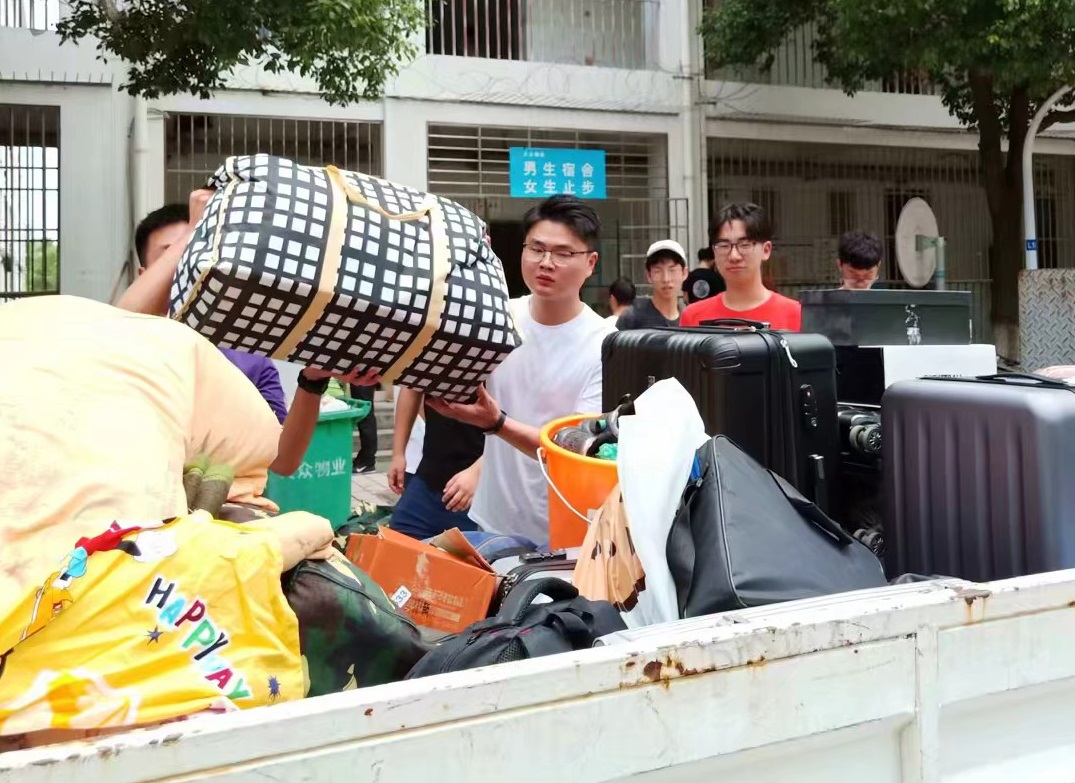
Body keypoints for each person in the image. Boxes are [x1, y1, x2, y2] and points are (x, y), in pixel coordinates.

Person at [120, 191, 378, 477]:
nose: (189, 266)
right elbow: (120, 321)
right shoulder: (131, 345)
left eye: (197, 252)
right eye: (174, 254)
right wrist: (196, 231)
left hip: (224, 501)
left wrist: (313, 379)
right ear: (144, 275)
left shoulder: (248, 354)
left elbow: (283, 460)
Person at [427, 195, 615, 545]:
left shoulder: (605, 344)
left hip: (565, 525)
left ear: (590, 263)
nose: (546, 263)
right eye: (537, 249)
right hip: (492, 515)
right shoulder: (497, 317)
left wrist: (496, 423)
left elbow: (574, 450)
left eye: (563, 253)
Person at [680, 202, 802, 331]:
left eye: (745, 245)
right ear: (714, 251)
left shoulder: (796, 315)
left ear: (766, 250)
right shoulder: (693, 317)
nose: (734, 256)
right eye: (724, 246)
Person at [387, 387, 482, 539]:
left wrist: (478, 471)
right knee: (397, 541)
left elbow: (513, 422)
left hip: (479, 492)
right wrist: (398, 454)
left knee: (474, 551)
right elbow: (411, 388)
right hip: (429, 476)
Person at [616, 240, 688, 329]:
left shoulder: (690, 319)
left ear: (684, 273)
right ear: (648, 275)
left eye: (672, 270)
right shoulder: (632, 318)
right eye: (658, 271)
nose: (666, 279)